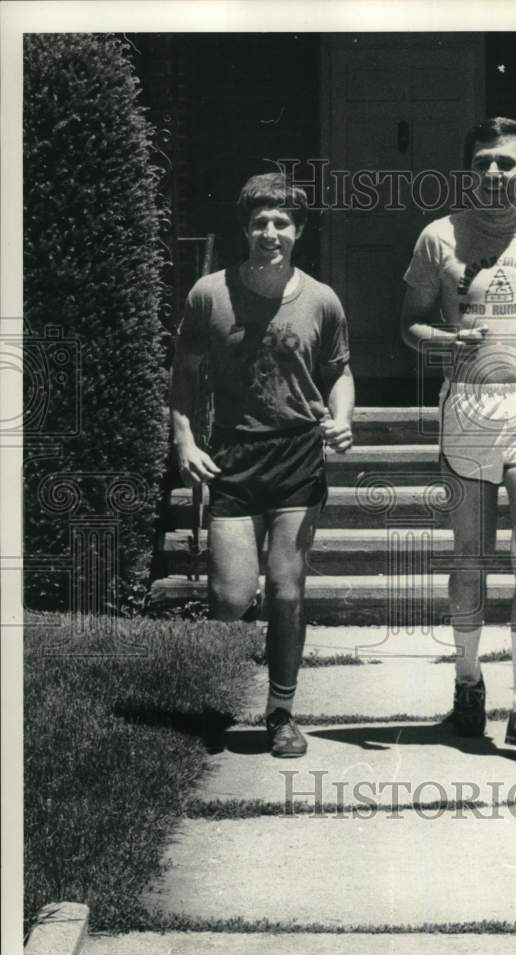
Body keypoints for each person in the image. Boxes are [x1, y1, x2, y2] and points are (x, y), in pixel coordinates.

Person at [401, 117, 516, 750]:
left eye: (506, 162)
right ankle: (468, 686)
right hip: (470, 413)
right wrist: (447, 341)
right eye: (483, 162)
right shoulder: (437, 237)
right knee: (470, 560)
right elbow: (409, 324)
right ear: (469, 168)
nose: (494, 173)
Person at [170, 172, 354, 758]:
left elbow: (339, 372)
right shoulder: (209, 294)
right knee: (229, 596)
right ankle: (218, 694)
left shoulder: (321, 299)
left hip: (297, 453)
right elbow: (185, 368)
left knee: (286, 590)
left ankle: (280, 712)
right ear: (244, 229)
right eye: (259, 223)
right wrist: (183, 440)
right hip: (232, 454)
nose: (269, 233)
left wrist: (343, 417)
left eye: (281, 223)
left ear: (298, 231)